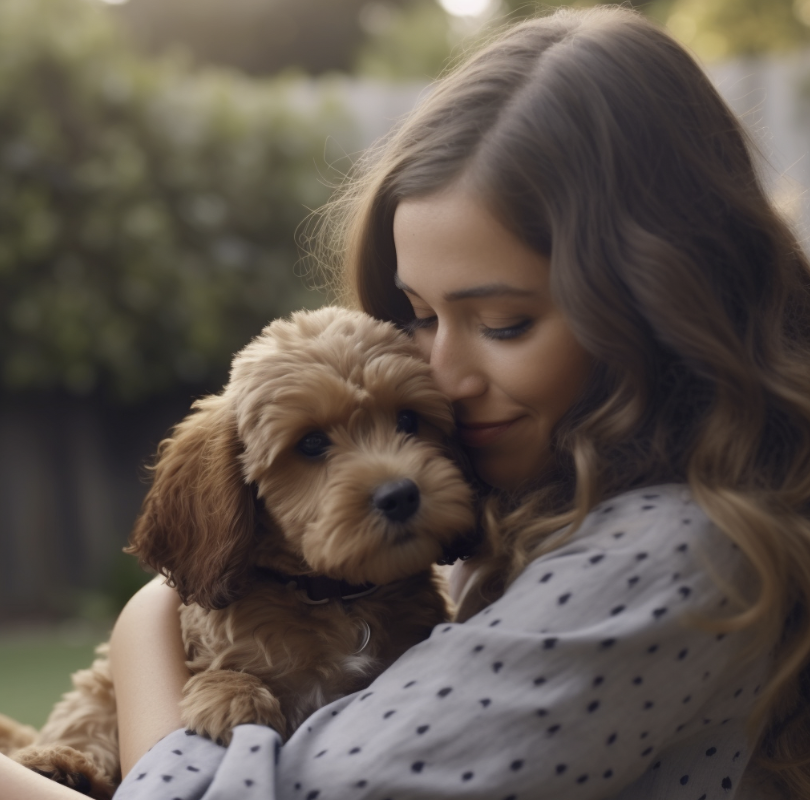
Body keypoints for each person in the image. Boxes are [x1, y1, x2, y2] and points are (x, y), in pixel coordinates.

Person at [4, 4, 810, 798]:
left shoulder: (668, 552)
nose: (445, 375)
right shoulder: (532, 525)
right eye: (419, 317)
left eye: (504, 322)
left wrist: (146, 627)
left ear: (663, 299)